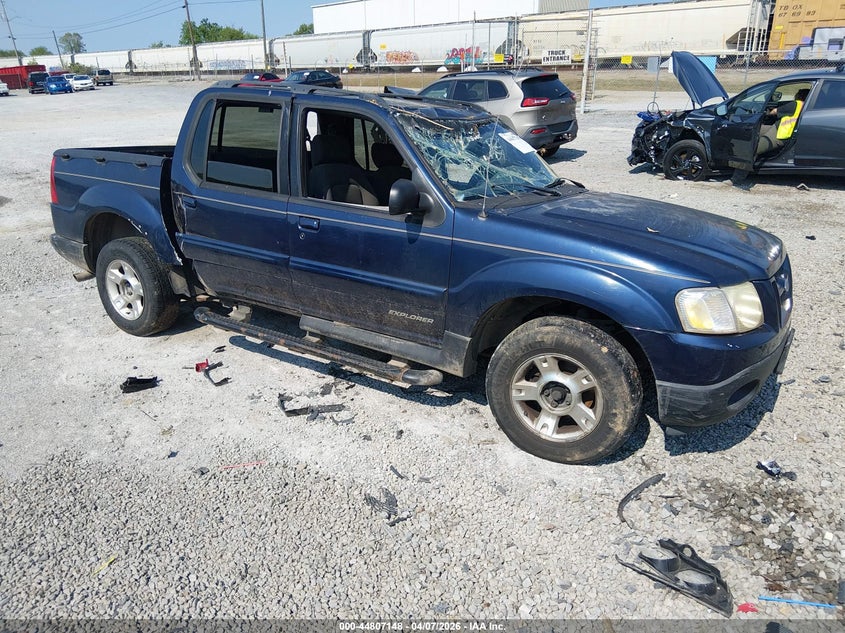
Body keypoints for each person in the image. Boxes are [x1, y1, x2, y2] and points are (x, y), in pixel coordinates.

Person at [756, 88, 810, 156]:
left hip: (780, 135)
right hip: (784, 132)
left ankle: (745, 164)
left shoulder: (796, 104)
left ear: (800, 96)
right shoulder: (808, 107)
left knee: (755, 149)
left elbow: (774, 111)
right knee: (757, 129)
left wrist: (767, 113)